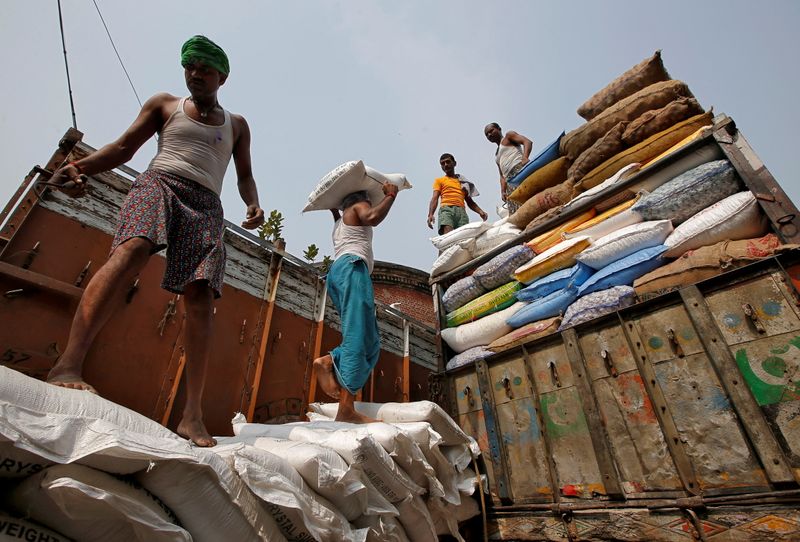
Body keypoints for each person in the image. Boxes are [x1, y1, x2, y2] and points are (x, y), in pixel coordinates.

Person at [45, 35, 265, 447]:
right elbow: (123, 148)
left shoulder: (237, 125)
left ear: (223, 76)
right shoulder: (164, 105)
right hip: (159, 183)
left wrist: (253, 203)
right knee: (131, 250)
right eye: (190, 66)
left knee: (200, 296)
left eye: (204, 67)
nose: (195, 73)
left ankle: (192, 416)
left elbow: (245, 174)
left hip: (207, 206)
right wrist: (79, 168)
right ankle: (68, 366)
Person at [313, 183, 399, 423]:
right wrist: (391, 194)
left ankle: (329, 363)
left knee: (369, 340)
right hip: (352, 270)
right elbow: (372, 217)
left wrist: (331, 205)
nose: (368, 204)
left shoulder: (339, 221)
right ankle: (346, 409)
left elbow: (336, 212)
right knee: (359, 335)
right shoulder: (358, 206)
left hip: (338, 274)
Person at [427, 153, 488, 235]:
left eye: (448, 162)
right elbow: (435, 198)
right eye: (443, 163)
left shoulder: (462, 182)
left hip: (461, 212)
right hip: (447, 210)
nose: (445, 165)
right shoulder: (439, 181)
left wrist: (480, 211)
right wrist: (431, 214)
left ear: (454, 163)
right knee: (449, 236)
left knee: (464, 238)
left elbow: (469, 201)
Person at [484, 122, 533, 214]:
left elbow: (527, 142)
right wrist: (503, 191)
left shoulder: (508, 136)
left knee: (529, 199)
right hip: (509, 181)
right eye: (487, 134)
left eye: (491, 131)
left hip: (519, 171)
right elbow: (502, 176)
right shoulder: (496, 155)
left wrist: (525, 157)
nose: (489, 135)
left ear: (499, 129)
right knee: (517, 210)